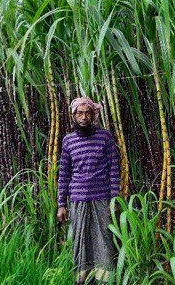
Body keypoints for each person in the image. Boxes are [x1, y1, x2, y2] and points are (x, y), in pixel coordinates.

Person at [57, 96, 120, 284]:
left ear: (93, 115)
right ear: (73, 116)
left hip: (101, 199)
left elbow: (114, 169)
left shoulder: (105, 137)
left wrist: (114, 199)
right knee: (80, 243)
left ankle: (105, 280)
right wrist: (61, 204)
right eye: (79, 113)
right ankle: (83, 281)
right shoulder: (68, 141)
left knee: (104, 243)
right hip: (77, 200)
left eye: (87, 113)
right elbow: (64, 174)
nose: (84, 117)